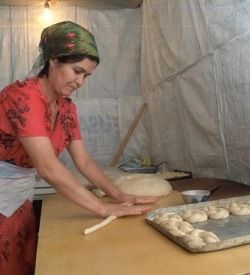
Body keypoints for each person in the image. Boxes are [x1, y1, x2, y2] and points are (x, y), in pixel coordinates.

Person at [0, 21, 158, 274]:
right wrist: (102, 208)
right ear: (52, 60)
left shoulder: (66, 108)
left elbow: (83, 161)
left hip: (19, 199)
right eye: (77, 71)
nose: (81, 82)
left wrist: (120, 196)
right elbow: (48, 168)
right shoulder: (22, 96)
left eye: (86, 75)